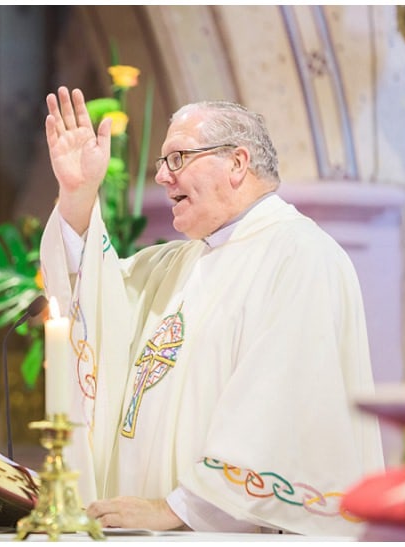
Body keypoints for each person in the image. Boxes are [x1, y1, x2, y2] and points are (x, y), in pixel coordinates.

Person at [38, 87, 385, 535]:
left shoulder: (299, 254)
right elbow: (95, 294)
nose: (163, 176)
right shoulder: (179, 262)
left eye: (178, 158)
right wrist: (78, 195)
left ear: (237, 164)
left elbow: (279, 403)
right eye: (162, 162)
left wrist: (177, 509)